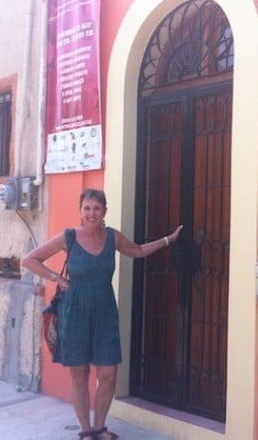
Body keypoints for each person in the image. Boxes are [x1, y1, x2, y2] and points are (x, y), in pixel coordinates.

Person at [22, 188, 182, 440]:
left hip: (105, 311)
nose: (91, 213)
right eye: (86, 208)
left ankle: (100, 427)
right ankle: (86, 431)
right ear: (80, 211)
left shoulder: (112, 237)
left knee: (108, 374)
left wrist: (167, 240)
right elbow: (30, 259)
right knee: (80, 373)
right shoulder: (69, 237)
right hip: (75, 312)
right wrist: (56, 277)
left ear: (104, 211)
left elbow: (138, 250)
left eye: (96, 208)